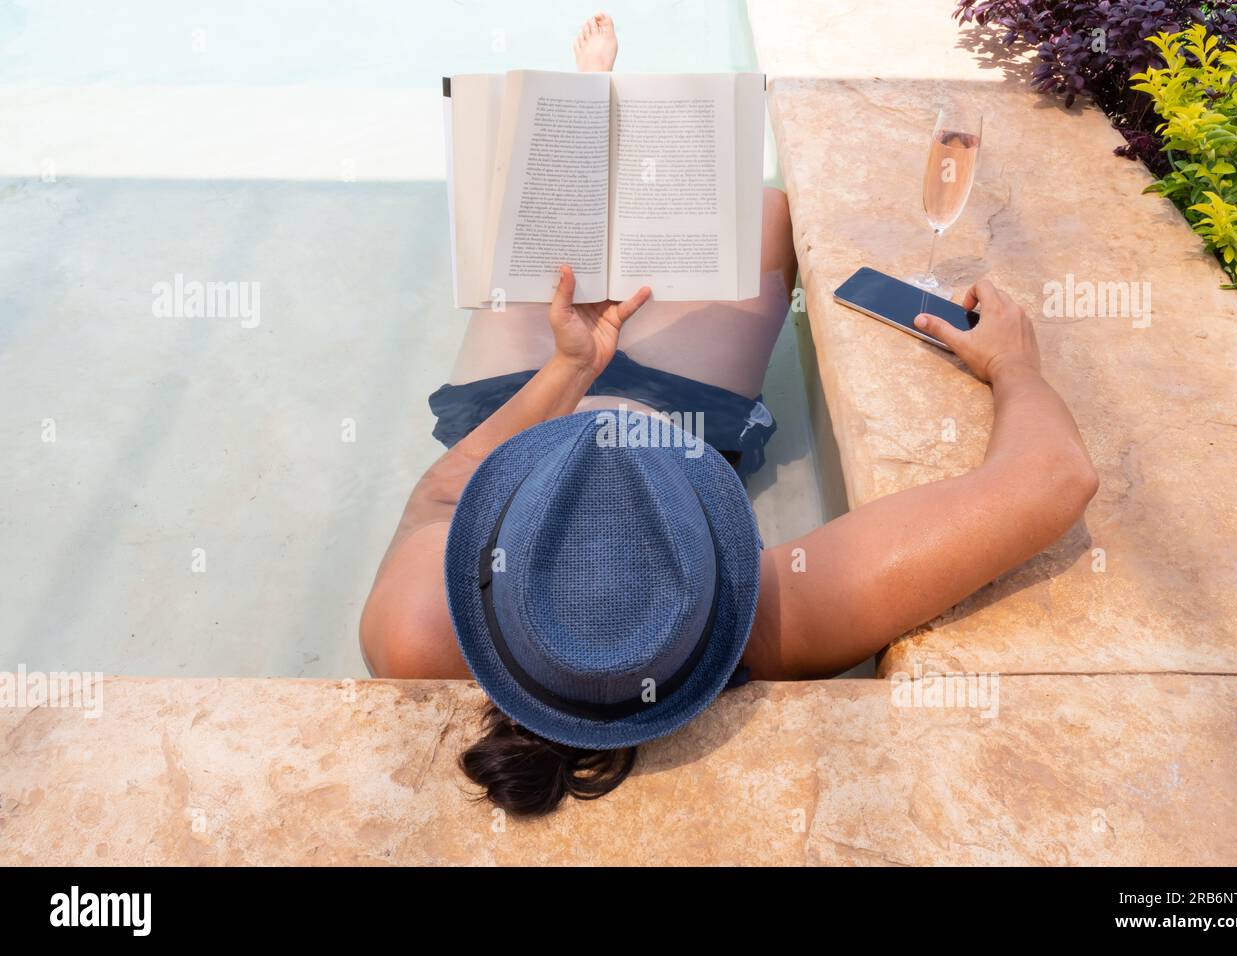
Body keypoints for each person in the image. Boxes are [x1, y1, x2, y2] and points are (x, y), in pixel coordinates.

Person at [361, 13, 1098, 817]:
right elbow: (1054, 476)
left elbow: (438, 499)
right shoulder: (773, 621)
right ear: (704, 583)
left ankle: (585, 115)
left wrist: (571, 367)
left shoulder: (415, 635)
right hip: (683, 409)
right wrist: (1014, 365)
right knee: (766, 216)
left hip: (522, 395)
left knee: (526, 238)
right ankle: (597, 123)